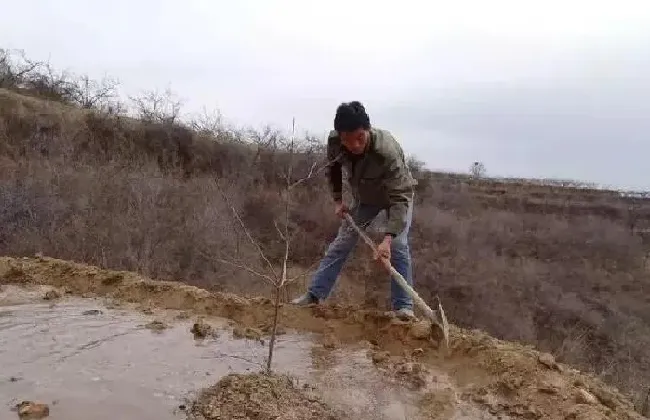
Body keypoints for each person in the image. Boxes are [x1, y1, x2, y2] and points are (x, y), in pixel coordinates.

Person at [291, 101, 418, 320]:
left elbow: (400, 197)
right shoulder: (334, 142)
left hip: (395, 198)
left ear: (367, 130)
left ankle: (404, 308)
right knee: (342, 242)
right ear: (340, 137)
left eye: (360, 138)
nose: (355, 145)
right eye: (348, 141)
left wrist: (387, 238)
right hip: (366, 198)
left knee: (398, 245)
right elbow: (333, 169)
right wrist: (338, 200)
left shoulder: (387, 150)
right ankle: (314, 295)